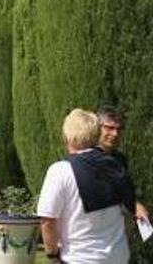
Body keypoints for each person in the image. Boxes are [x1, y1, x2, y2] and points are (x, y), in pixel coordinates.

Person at [38, 109, 133, 263]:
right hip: (117, 256)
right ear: (96, 135)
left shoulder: (61, 171)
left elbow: (48, 220)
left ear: (67, 136)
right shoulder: (116, 166)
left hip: (80, 258)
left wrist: (53, 256)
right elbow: (129, 212)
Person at [96, 105, 149, 222]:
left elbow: (124, 192)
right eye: (109, 128)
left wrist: (134, 205)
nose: (115, 133)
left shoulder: (120, 159)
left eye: (119, 129)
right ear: (97, 127)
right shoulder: (86, 159)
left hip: (117, 229)